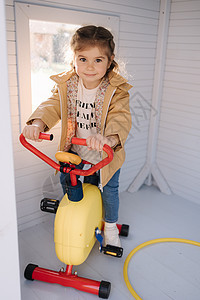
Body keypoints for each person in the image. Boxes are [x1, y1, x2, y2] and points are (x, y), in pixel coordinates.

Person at [22, 25, 132, 247]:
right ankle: (75, 212)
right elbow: (52, 105)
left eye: (98, 60)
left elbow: (120, 117)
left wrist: (108, 139)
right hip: (76, 150)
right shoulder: (67, 84)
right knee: (68, 179)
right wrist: (38, 122)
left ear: (109, 61)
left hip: (104, 153)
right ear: (73, 58)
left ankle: (110, 227)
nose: (89, 67)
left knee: (108, 189)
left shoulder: (116, 90)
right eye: (83, 59)